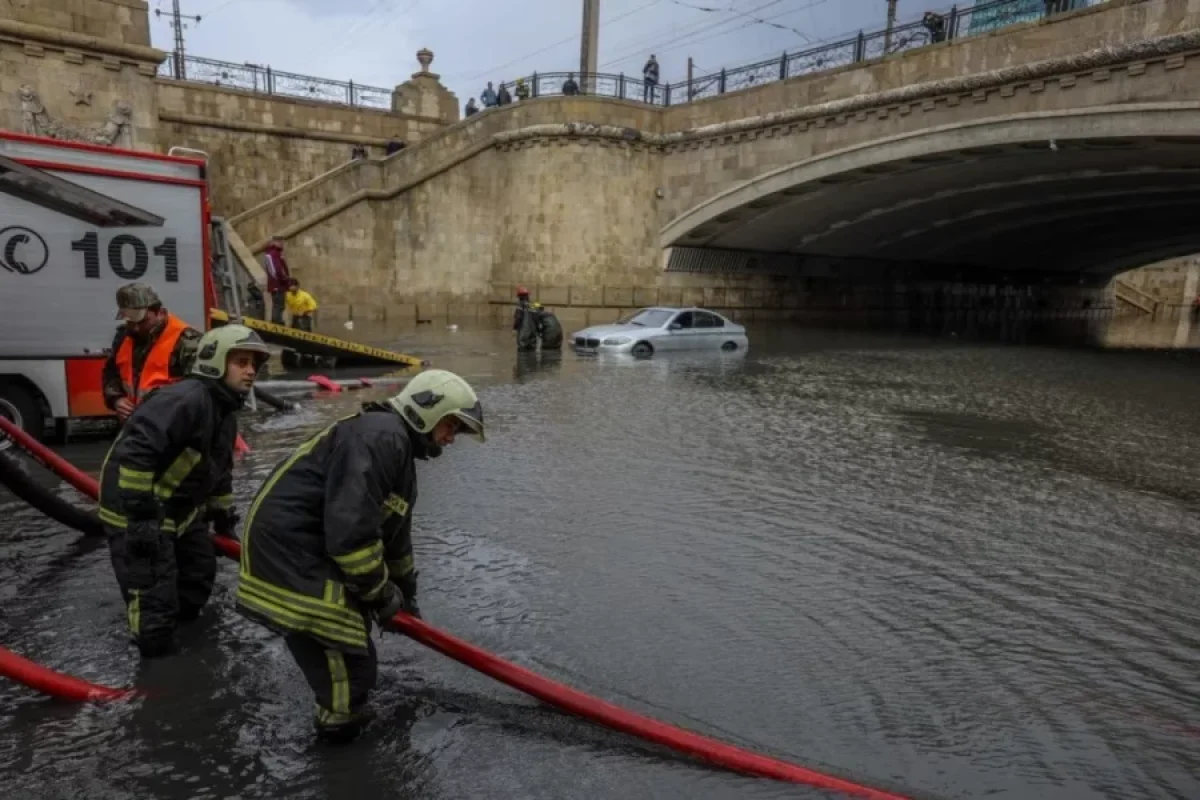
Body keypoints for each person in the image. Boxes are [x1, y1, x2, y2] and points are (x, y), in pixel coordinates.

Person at [234, 369, 486, 742]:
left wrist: (406, 597)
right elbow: (351, 534)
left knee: (353, 653)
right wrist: (381, 596)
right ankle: (339, 746)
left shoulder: (394, 448)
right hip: (291, 558)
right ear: (426, 413)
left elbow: (396, 542)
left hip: (300, 553)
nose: (450, 439)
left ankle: (343, 726)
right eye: (451, 426)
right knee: (351, 666)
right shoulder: (381, 437)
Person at [98, 324, 270, 659]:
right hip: (137, 510)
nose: (250, 371)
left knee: (197, 578)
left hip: (179, 510)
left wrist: (222, 518)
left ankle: (189, 657)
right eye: (241, 362)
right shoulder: (184, 400)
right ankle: (152, 674)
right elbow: (136, 453)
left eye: (254, 364)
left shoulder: (224, 411)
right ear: (216, 360)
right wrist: (141, 517)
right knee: (153, 603)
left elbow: (219, 473)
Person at [102, 282, 203, 423]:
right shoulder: (123, 337)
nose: (136, 328)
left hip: (174, 429)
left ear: (160, 313)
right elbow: (111, 372)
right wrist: (117, 399)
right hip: (138, 428)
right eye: (130, 322)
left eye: (143, 321)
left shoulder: (187, 342)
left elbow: (201, 392)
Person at [262, 236, 292, 325]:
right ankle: (276, 321)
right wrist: (283, 278)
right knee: (278, 304)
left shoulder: (277, 253)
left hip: (279, 284)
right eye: (281, 243)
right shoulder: (272, 253)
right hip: (277, 284)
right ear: (275, 242)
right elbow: (275, 269)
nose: (283, 245)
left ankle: (278, 320)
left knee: (280, 304)